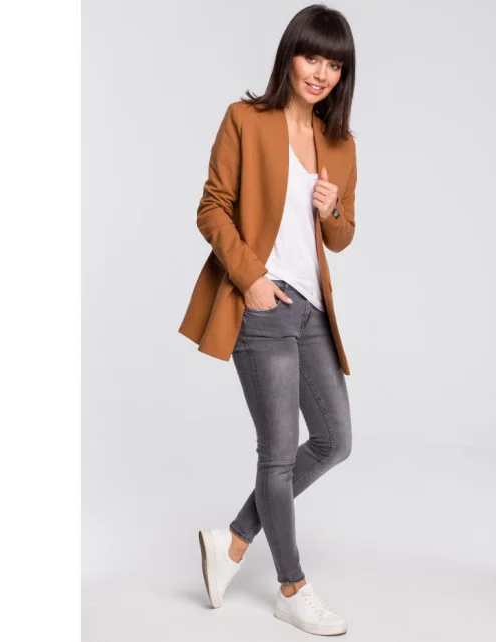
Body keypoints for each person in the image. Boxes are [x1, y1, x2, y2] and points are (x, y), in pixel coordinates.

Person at [179, 4, 357, 636]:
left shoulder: (340, 143)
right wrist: (251, 278)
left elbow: (341, 238)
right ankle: (292, 588)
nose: (321, 73)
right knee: (277, 453)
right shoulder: (245, 119)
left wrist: (332, 210)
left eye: (334, 65)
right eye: (312, 57)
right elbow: (212, 207)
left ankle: (231, 541)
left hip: (311, 311)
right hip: (261, 303)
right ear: (290, 56)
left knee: (335, 440)